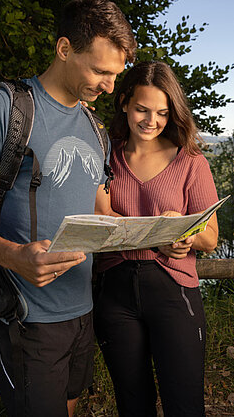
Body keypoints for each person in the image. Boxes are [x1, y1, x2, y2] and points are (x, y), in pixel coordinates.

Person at [0, 0, 136, 416]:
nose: (109, 87)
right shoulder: (4, 108)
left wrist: (165, 231)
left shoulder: (93, 127)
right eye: (100, 71)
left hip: (83, 309)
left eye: (115, 75)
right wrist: (13, 256)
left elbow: (105, 216)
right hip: (26, 314)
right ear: (64, 49)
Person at [94, 61, 219, 416]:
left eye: (162, 113)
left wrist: (184, 235)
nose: (152, 121)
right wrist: (155, 236)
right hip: (114, 291)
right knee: (133, 405)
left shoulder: (190, 161)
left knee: (184, 405)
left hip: (173, 292)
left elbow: (210, 238)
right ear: (123, 103)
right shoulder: (104, 155)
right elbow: (100, 220)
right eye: (142, 109)